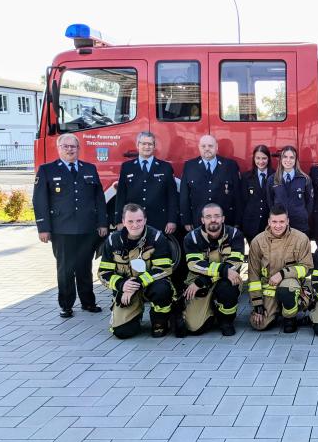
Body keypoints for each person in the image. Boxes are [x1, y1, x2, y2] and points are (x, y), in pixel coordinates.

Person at [33, 133, 107, 318]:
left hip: (87, 228)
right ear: (58, 148)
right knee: (65, 269)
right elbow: (40, 200)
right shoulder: (47, 170)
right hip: (62, 229)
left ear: (78, 148)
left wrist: (102, 223)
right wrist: (43, 228)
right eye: (65, 146)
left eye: (73, 146)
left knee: (84, 267)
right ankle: (66, 305)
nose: (69, 149)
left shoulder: (89, 168)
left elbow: (99, 198)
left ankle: (88, 302)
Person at [98, 204, 176, 338]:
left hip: (149, 286)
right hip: (126, 289)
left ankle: (159, 322)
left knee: (162, 289)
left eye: (139, 220)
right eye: (130, 221)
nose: (135, 225)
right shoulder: (112, 241)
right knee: (122, 332)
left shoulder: (157, 238)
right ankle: (135, 315)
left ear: (145, 220)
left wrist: (137, 283)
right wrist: (121, 285)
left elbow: (164, 269)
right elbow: (103, 273)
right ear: (123, 222)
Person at [247, 205, 313, 333]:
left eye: (282, 221)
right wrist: (257, 304)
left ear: (288, 221)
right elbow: (253, 275)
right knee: (259, 324)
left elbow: (306, 267)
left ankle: (290, 318)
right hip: (269, 289)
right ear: (269, 222)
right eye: (274, 222)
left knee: (287, 288)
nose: (278, 226)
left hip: (291, 285)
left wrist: (283, 274)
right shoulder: (257, 242)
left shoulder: (301, 239)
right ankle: (274, 312)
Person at [182, 203, 245, 336]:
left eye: (217, 216)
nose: (213, 220)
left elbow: (235, 264)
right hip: (198, 280)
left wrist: (203, 281)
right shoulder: (191, 238)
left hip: (214, 281)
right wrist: (222, 271)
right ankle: (211, 312)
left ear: (223, 218)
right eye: (208, 216)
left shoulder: (235, 235)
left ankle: (226, 321)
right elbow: (194, 265)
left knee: (228, 287)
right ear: (202, 220)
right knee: (194, 328)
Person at [114, 131, 178, 235]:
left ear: (154, 146)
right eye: (143, 144)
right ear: (137, 145)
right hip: (134, 221)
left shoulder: (165, 167)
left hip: (159, 220)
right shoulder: (127, 167)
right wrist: (119, 220)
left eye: (150, 144)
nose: (147, 147)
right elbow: (121, 195)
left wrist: (172, 220)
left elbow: (172, 196)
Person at [179, 134, 241, 230]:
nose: (207, 149)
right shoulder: (189, 166)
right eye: (203, 146)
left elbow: (237, 195)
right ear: (199, 147)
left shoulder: (230, 165)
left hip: (225, 221)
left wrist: (237, 221)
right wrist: (186, 220)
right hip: (198, 220)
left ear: (216, 147)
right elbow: (184, 196)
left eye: (210, 146)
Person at [267, 145, 314, 233]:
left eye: (292, 157)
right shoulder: (272, 179)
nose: (288, 160)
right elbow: (270, 202)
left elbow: (309, 202)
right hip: (280, 226)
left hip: (300, 225)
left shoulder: (305, 179)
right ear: (281, 159)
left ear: (296, 160)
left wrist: (303, 216)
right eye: (285, 157)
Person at [240, 145, 275, 242]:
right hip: (251, 224)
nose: (261, 161)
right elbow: (243, 201)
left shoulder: (276, 176)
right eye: (258, 158)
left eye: (264, 158)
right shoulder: (246, 177)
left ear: (268, 159)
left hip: (269, 224)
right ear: (254, 159)